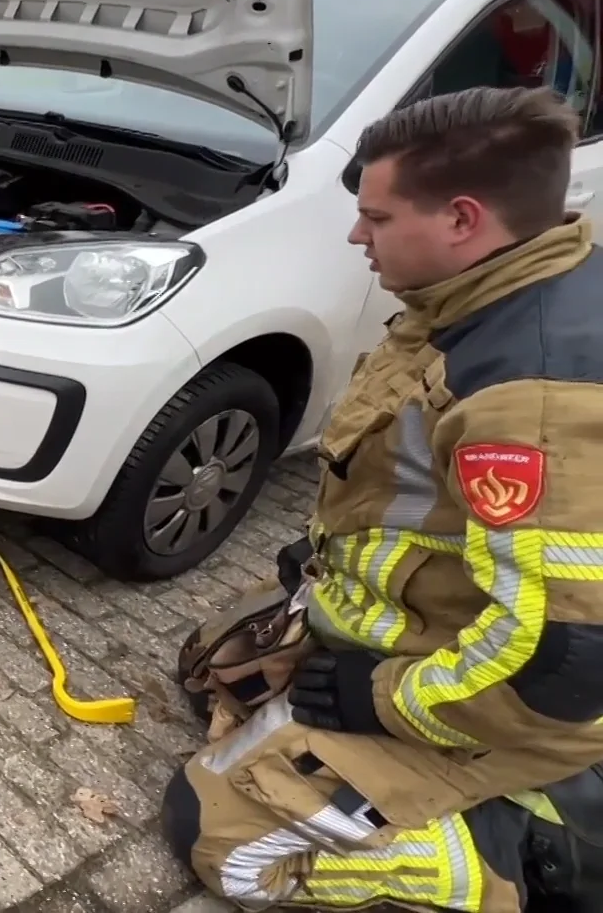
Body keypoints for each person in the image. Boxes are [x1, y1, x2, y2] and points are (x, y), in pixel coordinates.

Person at [165, 85, 603, 910]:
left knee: (211, 829)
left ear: (462, 219)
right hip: (421, 618)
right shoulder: (473, 299)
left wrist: (383, 698)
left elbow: (564, 669)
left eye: (377, 216)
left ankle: (525, 858)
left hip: (497, 697)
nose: (356, 234)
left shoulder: (533, 401)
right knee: (211, 668)